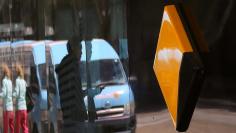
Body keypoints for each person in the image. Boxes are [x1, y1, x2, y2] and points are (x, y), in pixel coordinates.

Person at [13, 64, 29, 133]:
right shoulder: (24, 81)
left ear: (17, 72)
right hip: (25, 108)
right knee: (24, 126)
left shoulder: (17, 81)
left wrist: (11, 96)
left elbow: (16, 92)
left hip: (19, 108)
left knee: (17, 127)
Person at [0, 64, 14, 133]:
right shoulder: (10, 81)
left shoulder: (4, 81)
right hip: (11, 108)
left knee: (5, 127)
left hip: (6, 108)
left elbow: (4, 93)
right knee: (11, 126)